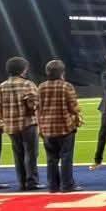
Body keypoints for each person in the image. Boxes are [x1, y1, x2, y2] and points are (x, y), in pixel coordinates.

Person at [37, 59, 83, 193]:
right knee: (66, 157)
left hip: (47, 128)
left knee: (51, 159)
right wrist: (78, 113)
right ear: (62, 72)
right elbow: (73, 107)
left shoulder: (41, 87)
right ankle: (67, 185)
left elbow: (37, 107)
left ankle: (53, 185)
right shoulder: (66, 86)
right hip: (64, 127)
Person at [0, 56, 40, 191]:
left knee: (18, 154)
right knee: (31, 154)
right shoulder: (28, 84)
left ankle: (22, 182)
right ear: (23, 70)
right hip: (27, 123)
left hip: (10, 125)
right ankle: (32, 181)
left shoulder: (1, 86)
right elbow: (34, 105)